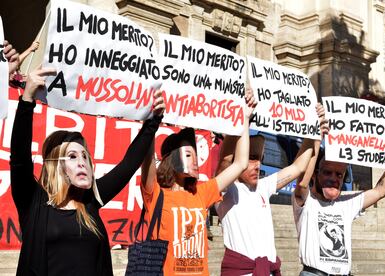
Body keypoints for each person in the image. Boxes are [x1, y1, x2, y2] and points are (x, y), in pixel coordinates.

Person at [9, 65, 165, 276]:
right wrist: (27, 100)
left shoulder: (91, 200)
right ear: (56, 165)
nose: (83, 162)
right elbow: (19, 159)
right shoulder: (34, 203)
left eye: (85, 156)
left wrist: (153, 121)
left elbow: (128, 165)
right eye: (72, 156)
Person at [139, 89, 256, 275]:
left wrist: (245, 118)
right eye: (188, 154)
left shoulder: (201, 193)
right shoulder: (156, 194)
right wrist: (151, 121)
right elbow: (147, 158)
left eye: (196, 154)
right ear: (171, 159)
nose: (195, 160)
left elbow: (241, 163)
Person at [215, 100, 328, 276]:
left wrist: (314, 132)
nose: (258, 164)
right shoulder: (226, 190)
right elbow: (225, 160)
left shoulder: (263, 186)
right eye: (252, 157)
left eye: (260, 158)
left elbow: (298, 167)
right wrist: (241, 117)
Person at [293, 121, 385, 275]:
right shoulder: (306, 202)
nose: (334, 178)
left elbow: (380, 190)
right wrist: (316, 139)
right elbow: (302, 182)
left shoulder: (346, 203)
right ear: (315, 174)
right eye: (327, 172)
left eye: (339, 174)